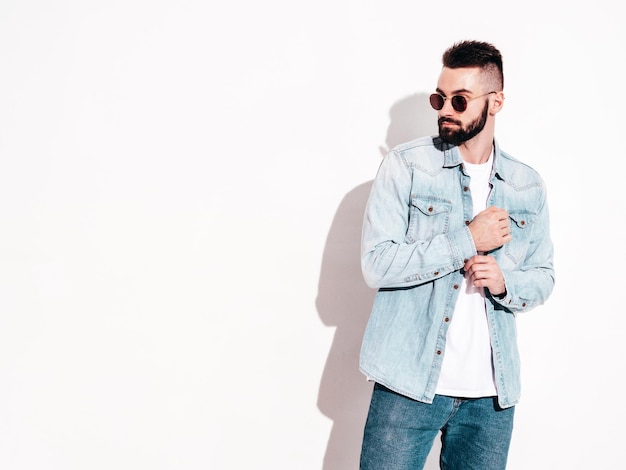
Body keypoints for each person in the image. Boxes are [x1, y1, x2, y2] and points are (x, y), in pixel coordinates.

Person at [358, 40, 555, 469]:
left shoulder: (526, 184)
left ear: (496, 102)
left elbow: (543, 275)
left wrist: (505, 282)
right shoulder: (406, 166)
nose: (445, 108)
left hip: (491, 397)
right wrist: (466, 238)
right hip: (408, 386)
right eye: (439, 98)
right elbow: (377, 263)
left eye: (459, 100)